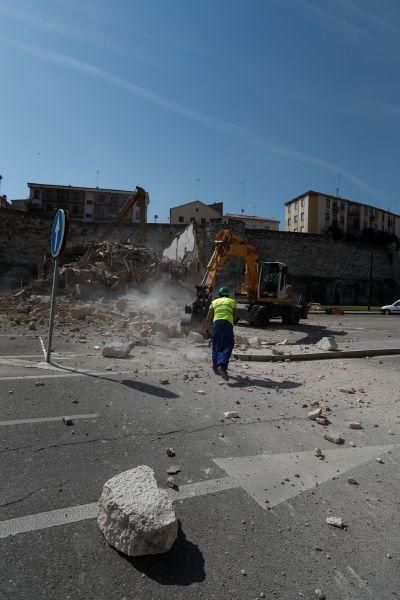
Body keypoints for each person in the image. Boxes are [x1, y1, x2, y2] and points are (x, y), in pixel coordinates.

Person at [205, 287, 237, 381]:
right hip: (227, 324)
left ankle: (215, 367)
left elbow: (208, 317)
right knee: (227, 345)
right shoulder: (232, 301)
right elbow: (235, 315)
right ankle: (222, 365)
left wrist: (207, 329)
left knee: (216, 344)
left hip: (216, 324)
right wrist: (232, 322)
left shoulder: (214, 302)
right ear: (228, 295)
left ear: (219, 294)